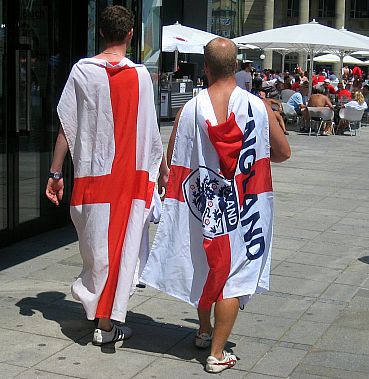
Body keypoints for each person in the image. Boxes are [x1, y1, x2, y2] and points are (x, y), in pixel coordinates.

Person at [140, 37, 290, 373]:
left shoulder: (190, 109)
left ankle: (205, 331)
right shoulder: (257, 107)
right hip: (245, 205)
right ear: (236, 67)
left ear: (205, 68)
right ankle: (218, 353)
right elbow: (282, 153)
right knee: (235, 274)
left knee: (206, 265)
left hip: (203, 206)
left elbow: (173, 159)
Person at [45, 5, 168, 345]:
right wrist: (164, 173)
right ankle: (106, 322)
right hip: (129, 180)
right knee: (121, 247)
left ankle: (104, 319)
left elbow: (66, 128)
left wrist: (56, 172)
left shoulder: (82, 71)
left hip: (93, 178)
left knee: (99, 250)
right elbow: (150, 133)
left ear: (100, 33)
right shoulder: (141, 75)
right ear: (130, 35)